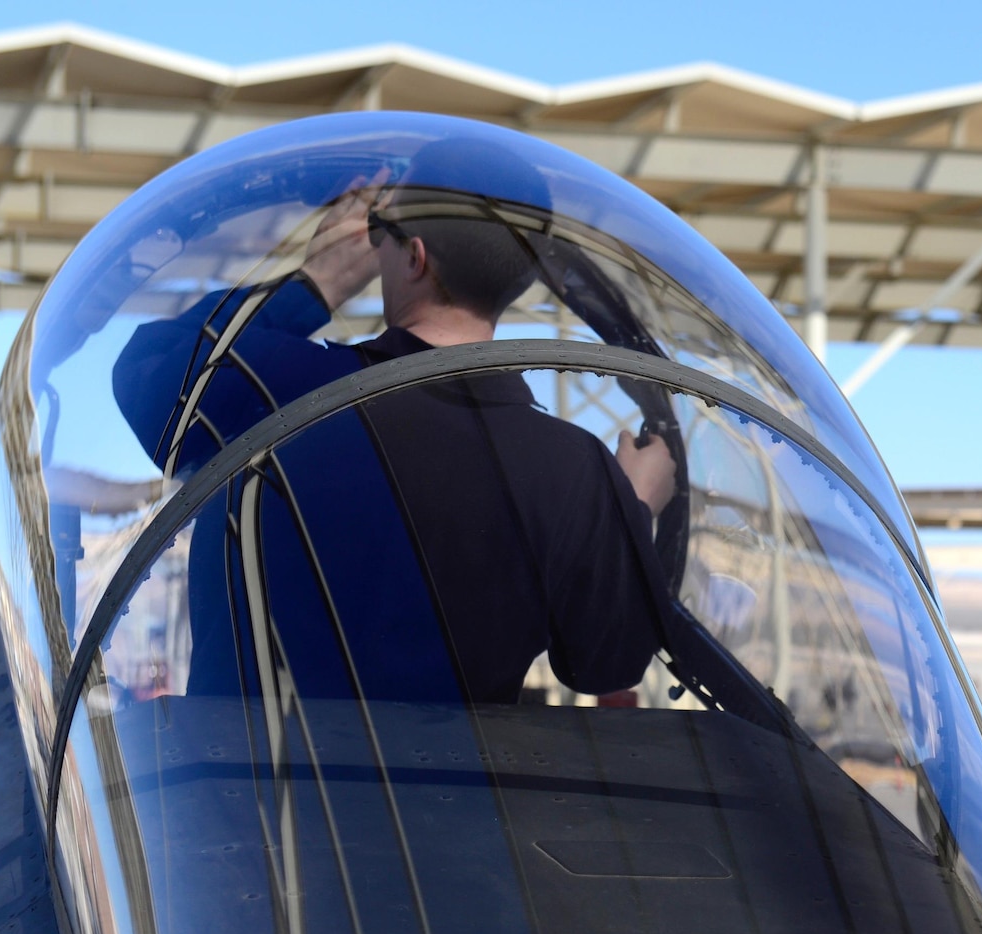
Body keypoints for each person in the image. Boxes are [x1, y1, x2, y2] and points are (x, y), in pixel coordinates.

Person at [112, 138, 677, 706]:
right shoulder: (572, 467)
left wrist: (316, 283)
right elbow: (608, 662)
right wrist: (630, 510)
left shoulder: (284, 395)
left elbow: (148, 369)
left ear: (415, 258)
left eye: (381, 229)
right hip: (456, 795)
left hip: (253, 791)